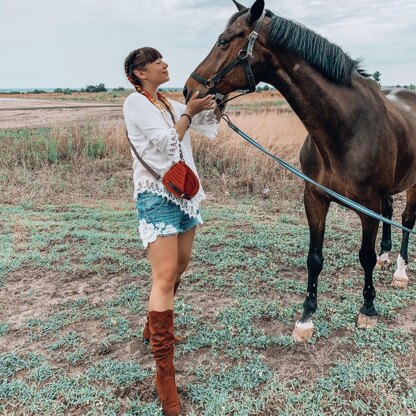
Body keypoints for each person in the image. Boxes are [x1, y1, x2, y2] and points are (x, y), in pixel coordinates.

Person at [123, 47, 220, 416]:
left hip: (185, 196)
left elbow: (206, 126)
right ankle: (165, 376)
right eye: (157, 61)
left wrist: (213, 104)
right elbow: (167, 144)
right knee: (163, 278)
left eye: (163, 59)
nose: (165, 64)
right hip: (157, 198)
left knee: (179, 268)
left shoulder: (168, 103)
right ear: (139, 71)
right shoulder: (135, 104)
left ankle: (152, 327)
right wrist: (189, 114)